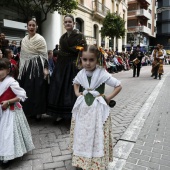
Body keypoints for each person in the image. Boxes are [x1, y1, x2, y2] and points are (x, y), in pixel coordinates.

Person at [69, 45, 122, 170]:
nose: (87, 63)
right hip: (83, 109)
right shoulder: (81, 73)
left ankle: (95, 162)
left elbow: (118, 85)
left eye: (91, 60)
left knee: (96, 133)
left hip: (97, 110)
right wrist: (77, 93)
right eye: (85, 59)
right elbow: (75, 83)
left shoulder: (101, 73)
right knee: (83, 133)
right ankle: (82, 160)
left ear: (97, 59)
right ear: (80, 59)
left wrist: (108, 98)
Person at [48, 14, 87, 122]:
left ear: (74, 23)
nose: (68, 23)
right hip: (62, 65)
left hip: (74, 65)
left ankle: (74, 115)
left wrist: (71, 50)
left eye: (70, 22)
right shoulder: (62, 37)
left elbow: (83, 48)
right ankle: (60, 114)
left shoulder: (80, 36)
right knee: (60, 87)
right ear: (64, 24)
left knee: (72, 88)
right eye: (66, 22)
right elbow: (61, 52)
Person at [0, 58, 34, 169]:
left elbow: (21, 96)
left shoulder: (11, 82)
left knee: (8, 134)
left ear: (8, 70)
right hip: (1, 111)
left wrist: (9, 102)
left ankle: (7, 157)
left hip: (11, 112)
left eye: (1, 69)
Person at [18, 17, 48, 120]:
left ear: (36, 27)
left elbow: (44, 55)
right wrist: (21, 68)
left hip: (37, 66)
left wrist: (45, 68)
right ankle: (29, 111)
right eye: (29, 25)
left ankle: (38, 112)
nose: (31, 27)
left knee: (37, 89)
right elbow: (22, 55)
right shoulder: (24, 40)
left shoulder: (40, 39)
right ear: (27, 27)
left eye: (33, 25)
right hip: (26, 67)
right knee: (27, 88)